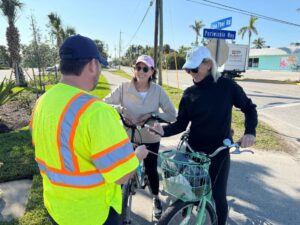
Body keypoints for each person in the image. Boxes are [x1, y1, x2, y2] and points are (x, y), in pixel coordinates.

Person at [29, 35, 148, 225]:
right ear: (93, 64)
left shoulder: (42, 102)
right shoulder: (96, 112)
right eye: (100, 66)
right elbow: (122, 175)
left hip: (56, 208)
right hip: (92, 215)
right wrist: (137, 156)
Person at [152, 46, 257, 225]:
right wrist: (163, 130)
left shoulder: (227, 86)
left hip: (219, 153)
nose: (192, 74)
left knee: (218, 196)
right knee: (189, 191)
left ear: (208, 64)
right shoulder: (189, 94)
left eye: (194, 69)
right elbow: (181, 124)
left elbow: (249, 108)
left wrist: (250, 132)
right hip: (193, 152)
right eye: (188, 70)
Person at [104, 55, 176, 218]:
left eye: (145, 68)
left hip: (150, 138)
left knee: (151, 170)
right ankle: (120, 203)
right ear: (134, 69)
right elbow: (104, 103)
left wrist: (153, 115)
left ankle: (156, 198)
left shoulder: (158, 91)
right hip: (128, 137)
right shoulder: (123, 87)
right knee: (123, 170)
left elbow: (172, 114)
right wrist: (120, 109)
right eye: (138, 67)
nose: (141, 72)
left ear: (152, 71)